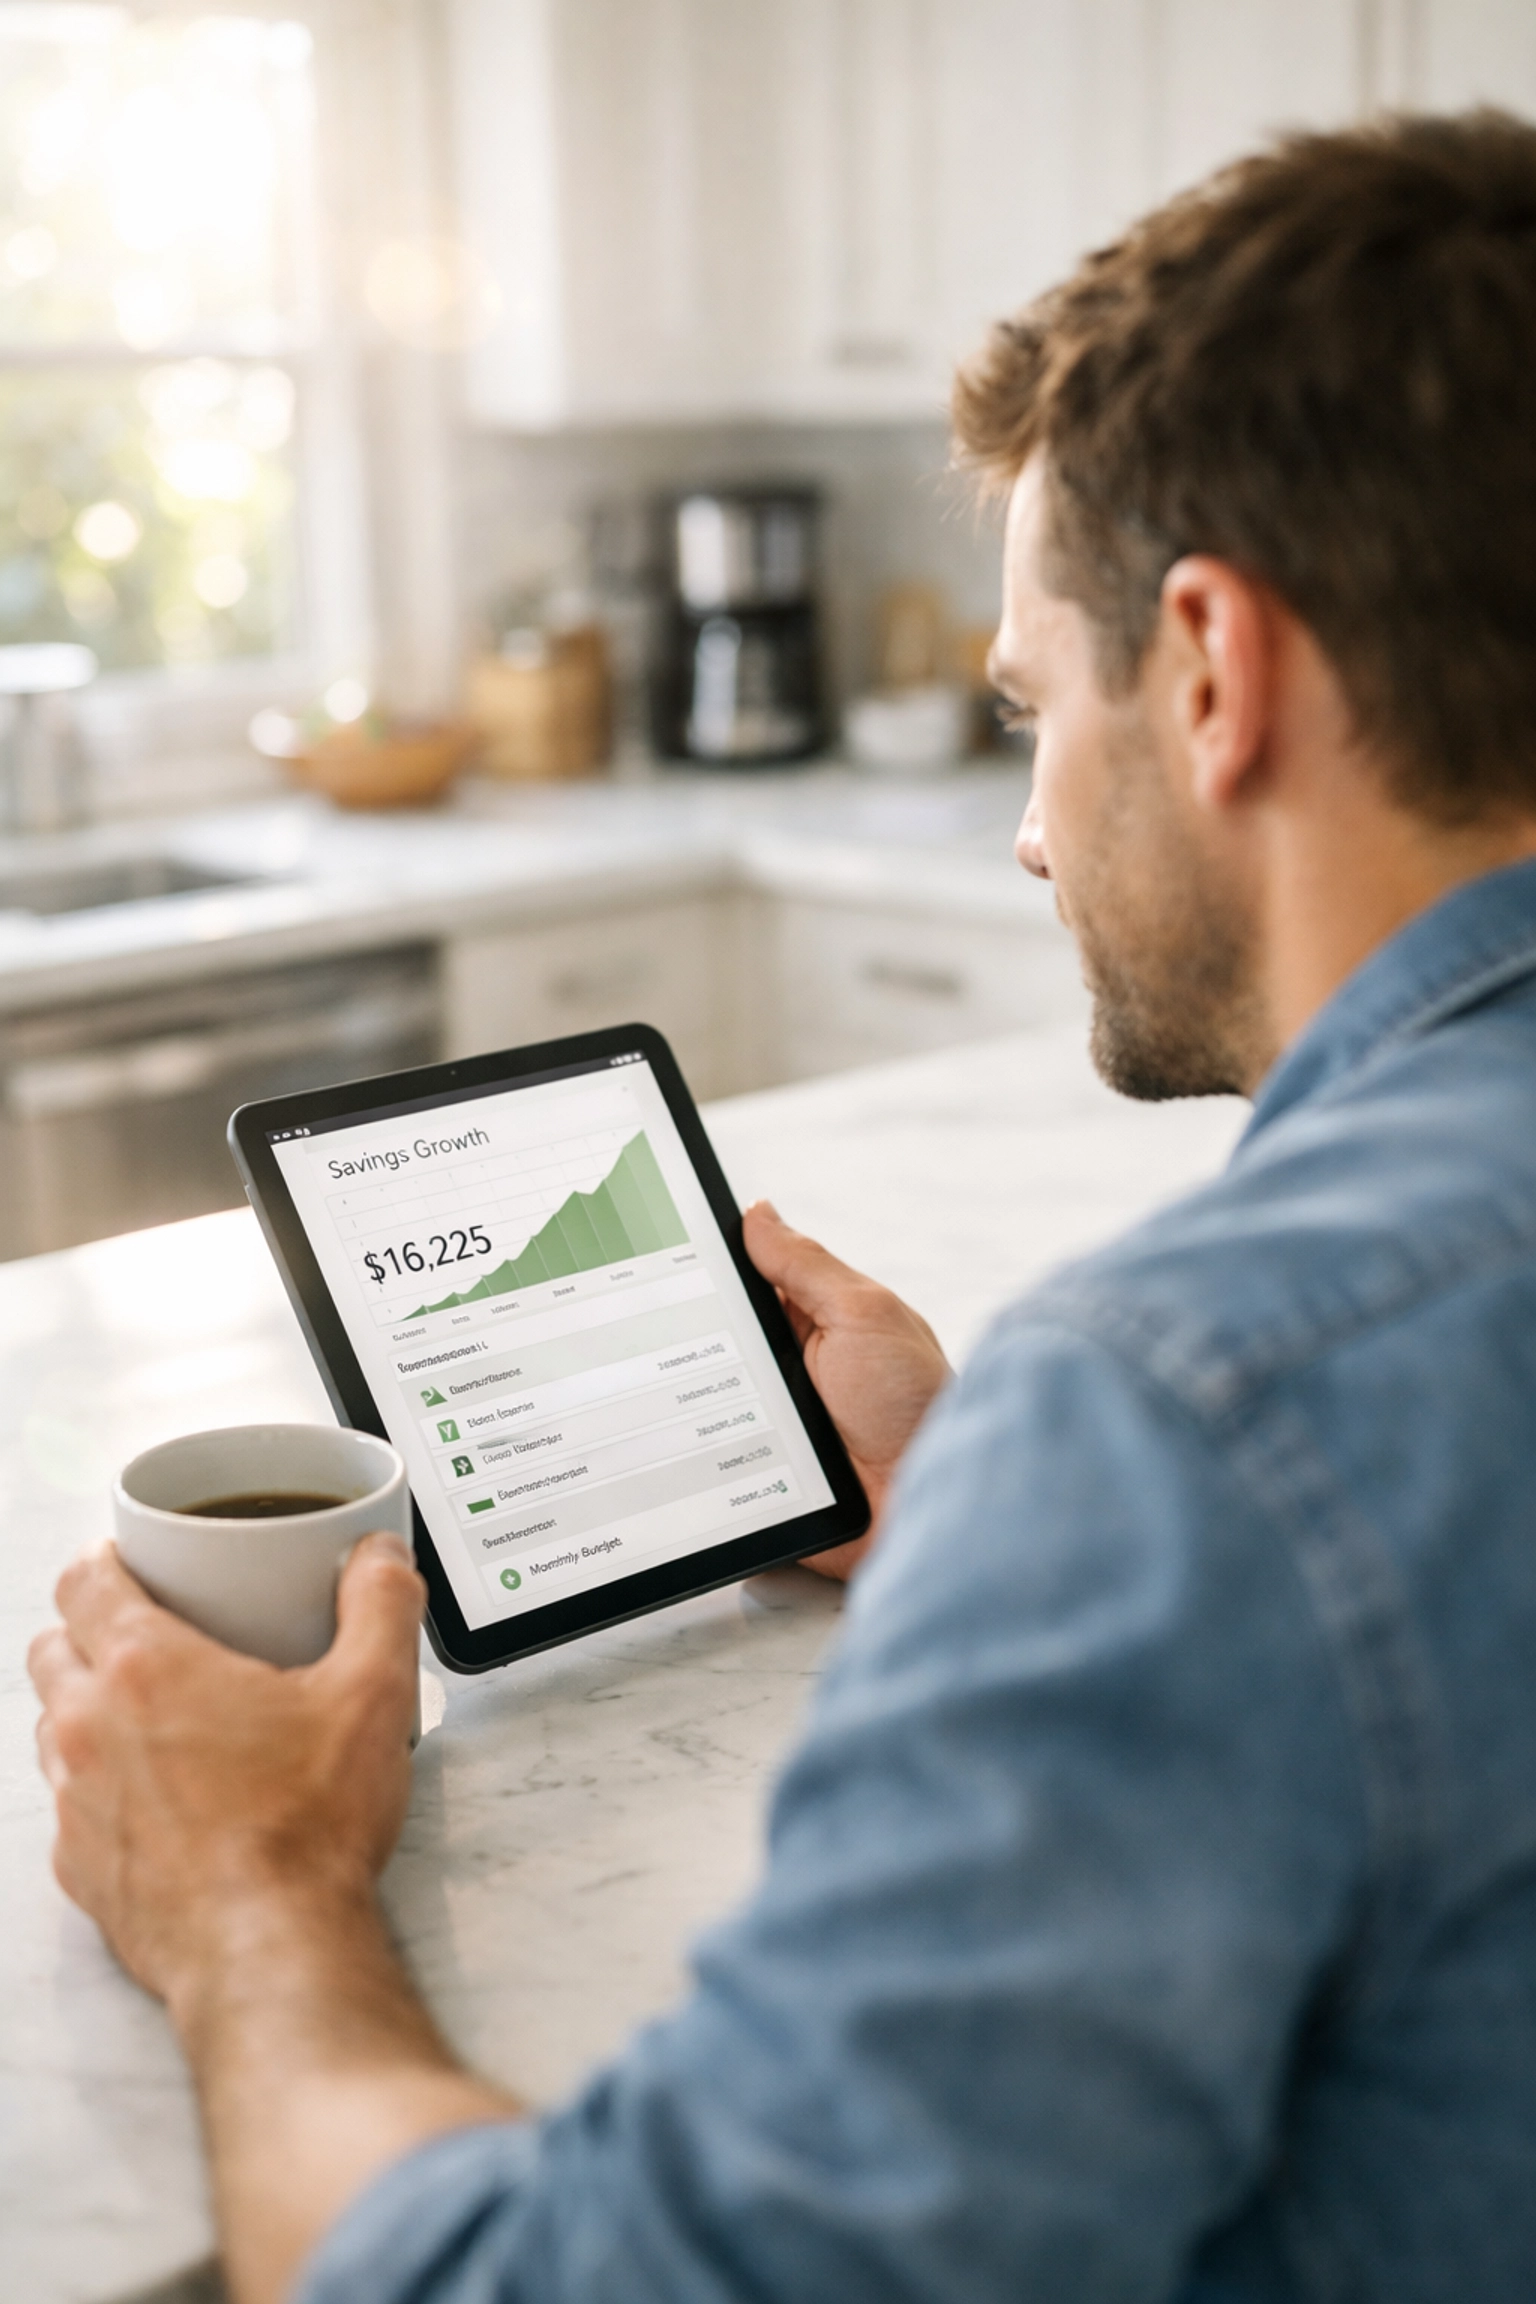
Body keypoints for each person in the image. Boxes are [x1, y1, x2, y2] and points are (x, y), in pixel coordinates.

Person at [28, 109, 1536, 2304]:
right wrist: (970, 1525)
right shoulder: (1284, 1443)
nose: (1030, 832)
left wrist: (245, 1890)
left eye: (1036, 709)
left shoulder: (1206, 1413)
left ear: (1213, 670)